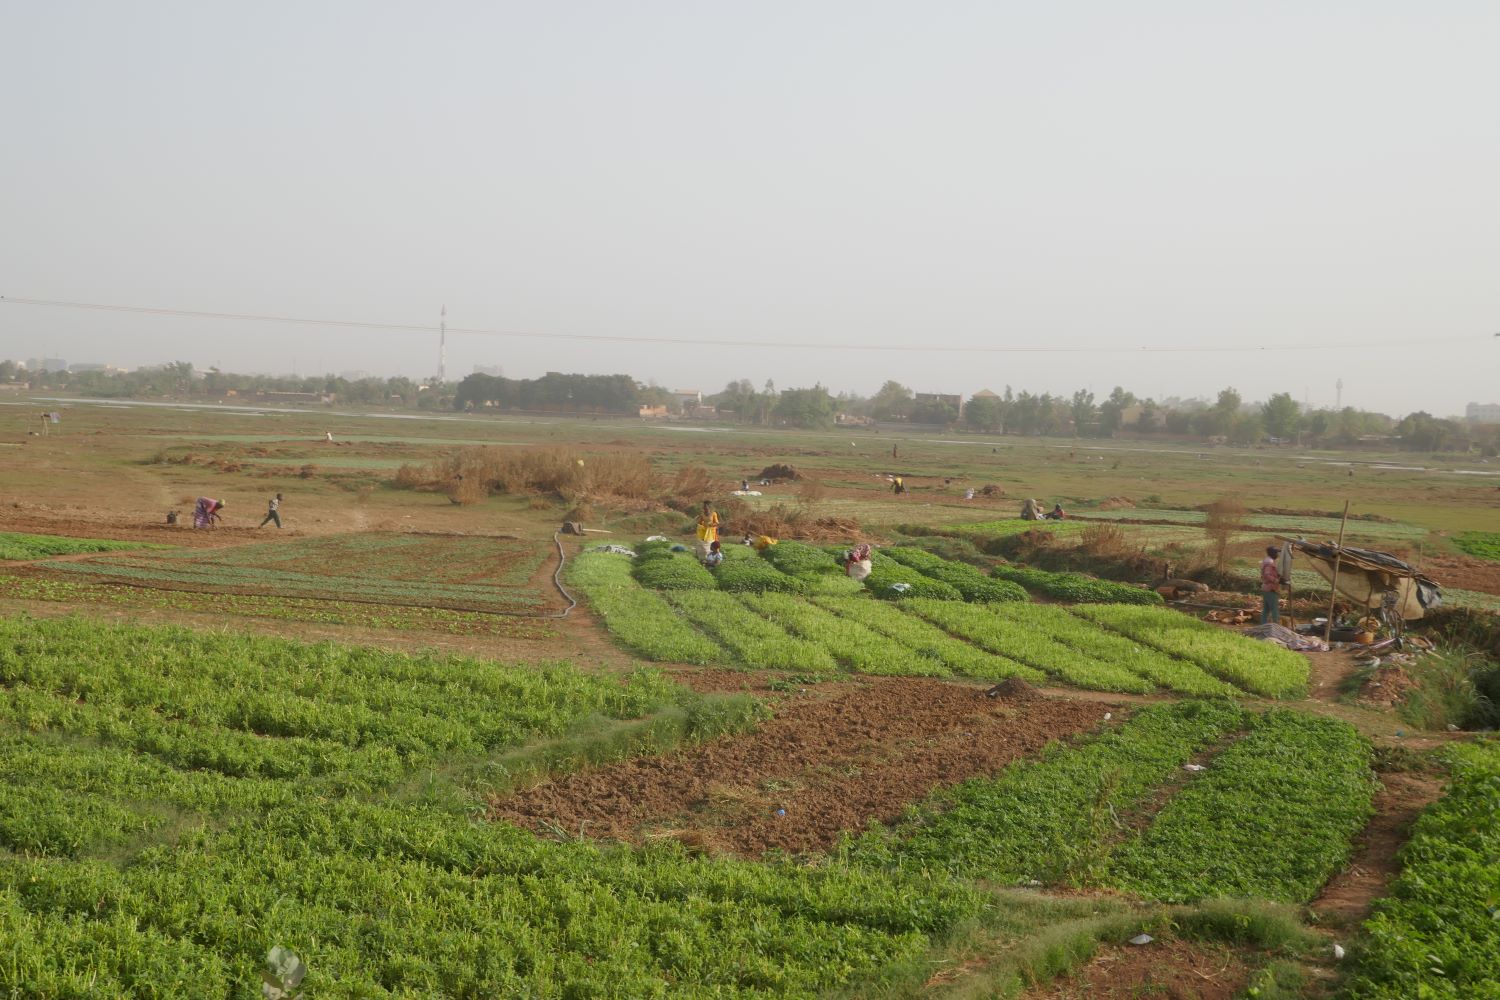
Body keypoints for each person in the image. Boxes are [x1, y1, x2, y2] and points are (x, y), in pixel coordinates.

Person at [1260, 546, 1284, 624]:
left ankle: (1262, 626)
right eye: (1276, 552)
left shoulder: (1267, 560)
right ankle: (1276, 626)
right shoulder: (1269, 563)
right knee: (1274, 609)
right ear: (1273, 553)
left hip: (1266, 588)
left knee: (1266, 610)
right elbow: (1267, 575)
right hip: (1270, 588)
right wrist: (1276, 580)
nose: (1277, 554)